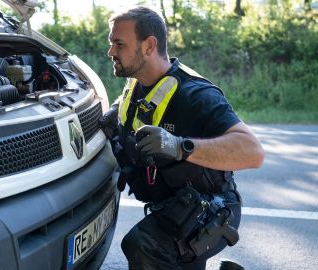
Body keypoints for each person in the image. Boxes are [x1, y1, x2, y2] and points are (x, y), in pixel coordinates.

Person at [100, 6, 264, 270]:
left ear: (149, 45)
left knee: (143, 246)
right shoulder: (137, 84)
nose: (111, 52)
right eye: (111, 43)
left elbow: (253, 152)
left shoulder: (195, 94)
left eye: (119, 43)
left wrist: (179, 146)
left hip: (212, 210)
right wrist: (113, 116)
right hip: (172, 207)